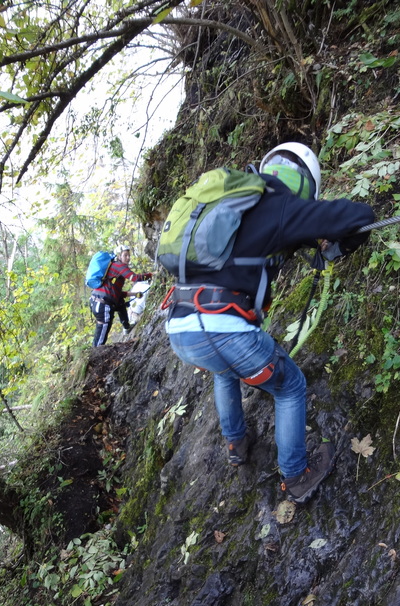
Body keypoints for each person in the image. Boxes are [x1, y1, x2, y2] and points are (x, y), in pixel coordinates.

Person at [162, 142, 375, 504]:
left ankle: (236, 443)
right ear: (305, 183)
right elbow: (358, 215)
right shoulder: (279, 206)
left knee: (224, 371)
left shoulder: (236, 207)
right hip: (222, 330)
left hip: (180, 328)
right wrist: (340, 247)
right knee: (290, 386)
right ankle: (296, 477)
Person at [90, 244, 152, 346]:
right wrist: (150, 275)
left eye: (129, 255)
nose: (128, 258)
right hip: (102, 304)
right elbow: (134, 277)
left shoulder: (115, 269)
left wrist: (135, 294)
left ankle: (126, 327)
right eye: (125, 255)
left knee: (120, 303)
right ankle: (94, 357)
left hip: (98, 301)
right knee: (101, 336)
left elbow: (118, 294)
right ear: (119, 256)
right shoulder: (118, 265)